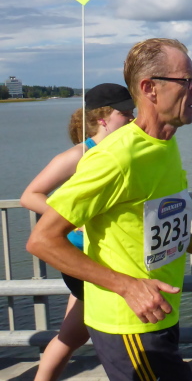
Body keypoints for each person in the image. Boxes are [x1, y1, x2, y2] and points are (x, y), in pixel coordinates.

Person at [26, 38, 192, 381]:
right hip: (129, 323)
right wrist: (128, 286)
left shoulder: (164, 142)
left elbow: (139, 221)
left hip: (158, 313)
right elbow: (42, 240)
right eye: (186, 81)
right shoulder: (115, 157)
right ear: (149, 88)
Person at [20, 83, 135, 381]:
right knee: (123, 325)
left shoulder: (121, 150)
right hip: (82, 254)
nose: (132, 119)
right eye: (125, 113)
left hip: (104, 253)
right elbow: (30, 195)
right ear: (103, 118)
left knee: (72, 335)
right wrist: (72, 220)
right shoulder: (79, 154)